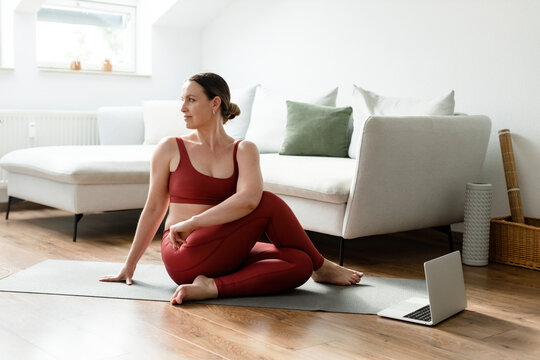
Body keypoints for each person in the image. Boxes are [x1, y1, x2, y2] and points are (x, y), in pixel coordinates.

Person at [100, 73, 363, 305]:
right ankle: (322, 265)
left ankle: (212, 288)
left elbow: (248, 201)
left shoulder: (244, 149)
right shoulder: (170, 147)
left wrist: (194, 221)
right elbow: (155, 208)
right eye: (182, 99)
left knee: (299, 263)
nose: (182, 108)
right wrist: (129, 265)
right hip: (184, 252)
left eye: (191, 100)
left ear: (215, 103)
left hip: (227, 253)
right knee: (268, 201)